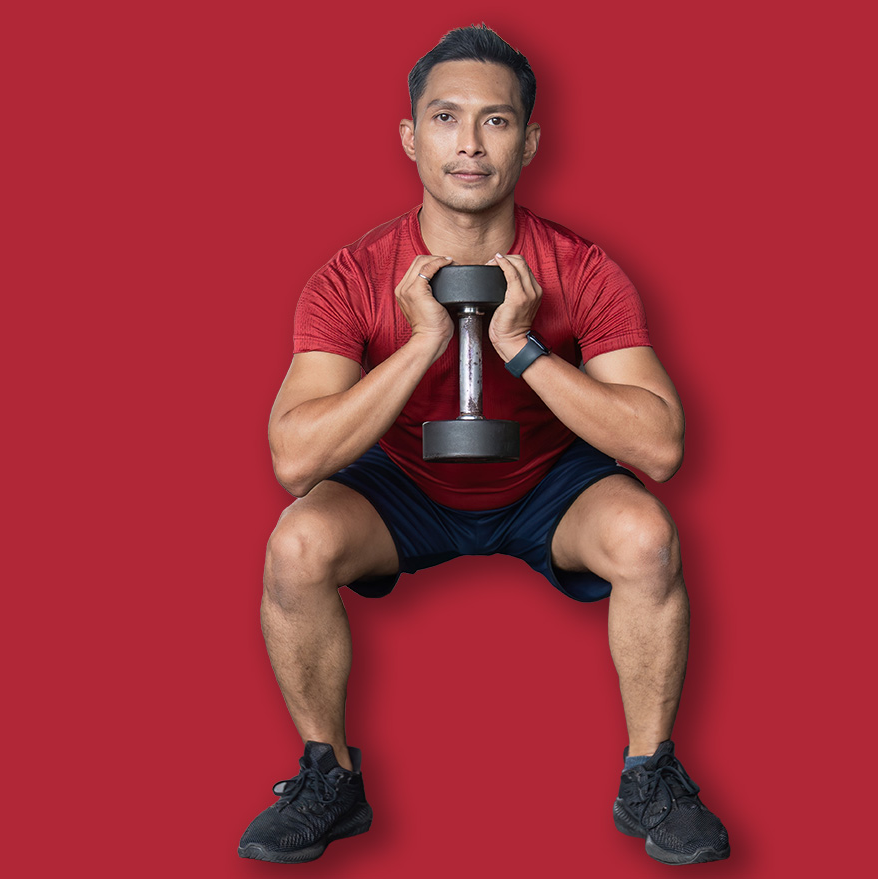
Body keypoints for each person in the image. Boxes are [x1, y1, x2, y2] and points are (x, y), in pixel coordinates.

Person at [238, 25, 730, 866]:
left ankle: (649, 773)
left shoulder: (582, 268)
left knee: (647, 537)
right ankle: (331, 775)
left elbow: (660, 446)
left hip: (547, 485)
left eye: (496, 122)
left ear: (530, 141)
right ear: (410, 136)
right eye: (444, 118)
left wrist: (522, 346)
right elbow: (293, 459)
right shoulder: (353, 276)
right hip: (401, 484)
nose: (468, 144)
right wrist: (424, 343)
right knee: (296, 544)